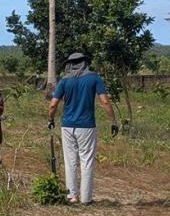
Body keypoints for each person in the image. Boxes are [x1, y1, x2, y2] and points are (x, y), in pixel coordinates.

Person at [47, 53, 119, 205]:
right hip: (86, 126)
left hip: (67, 126)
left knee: (70, 162)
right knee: (86, 161)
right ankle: (86, 199)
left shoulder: (64, 81)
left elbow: (53, 104)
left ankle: (72, 196)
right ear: (85, 63)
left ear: (69, 64)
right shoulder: (94, 78)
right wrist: (113, 121)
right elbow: (105, 102)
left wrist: (50, 120)